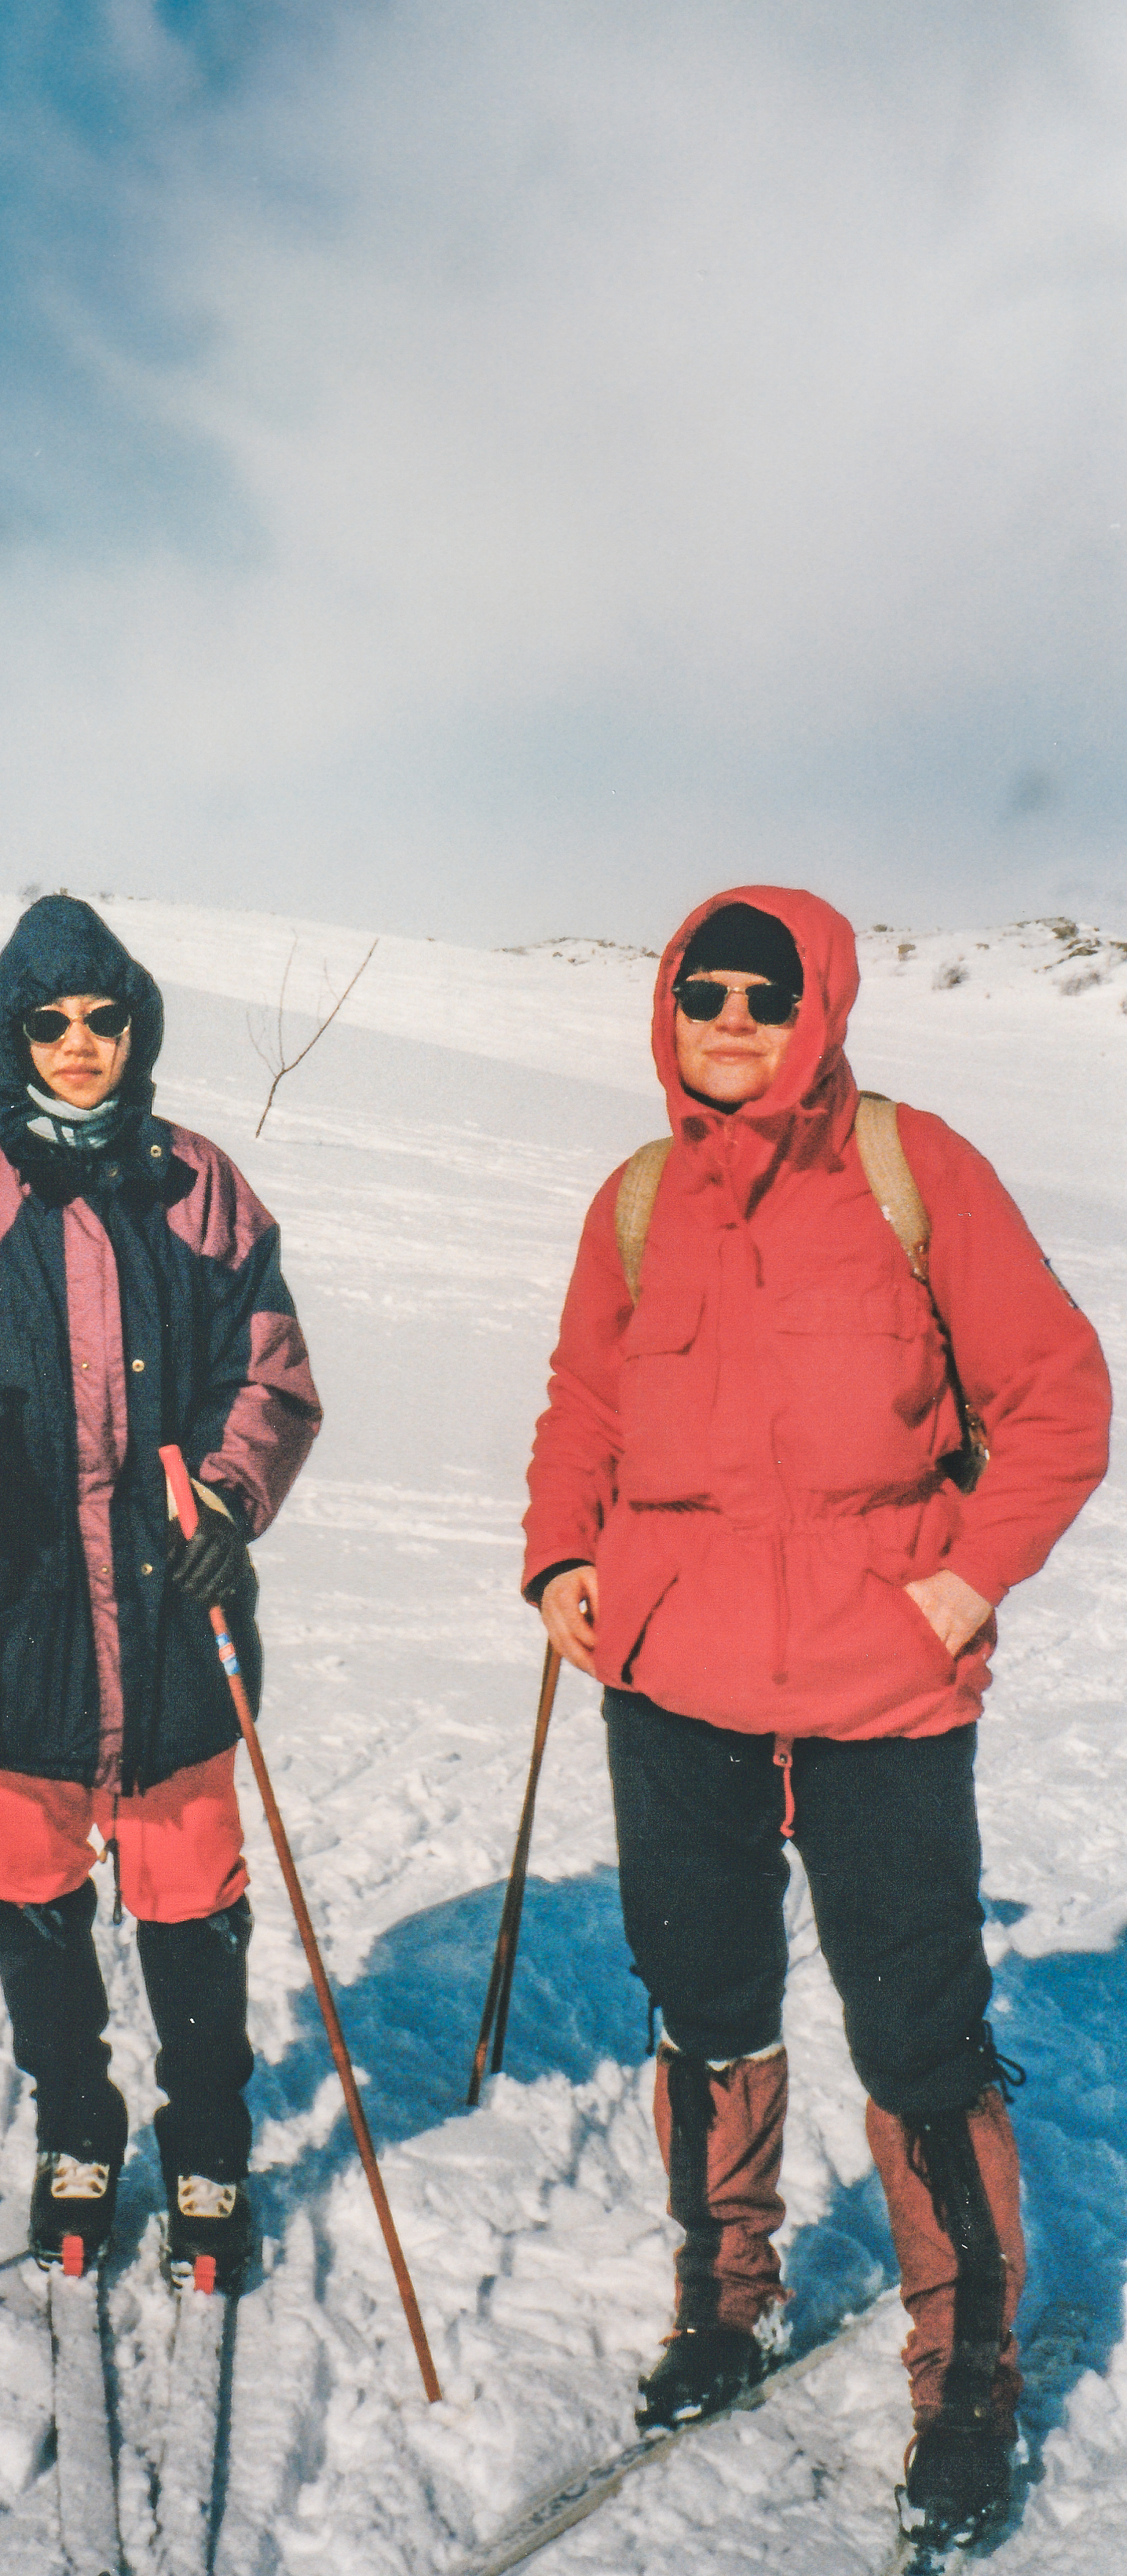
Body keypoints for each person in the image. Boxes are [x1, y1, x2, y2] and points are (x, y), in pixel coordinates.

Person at [521, 887, 1110, 2548]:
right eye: (701, 990)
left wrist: (963, 1580)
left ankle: (966, 2367)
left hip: (879, 1677)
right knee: (701, 1993)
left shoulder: (915, 1170)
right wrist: (561, 1554)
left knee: (917, 2023)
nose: (729, 1015)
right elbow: (582, 1398)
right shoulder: (636, 1202)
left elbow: (1058, 1394)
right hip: (675, 1673)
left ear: (818, 1009)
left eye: (762, 994)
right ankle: (724, 2297)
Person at [0, 896, 320, 2288]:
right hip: (9, 1600)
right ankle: (76, 2127)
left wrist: (226, 1493)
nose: (82, 1044)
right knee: (31, 1877)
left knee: (186, 1885)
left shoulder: (201, 1184)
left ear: (136, 1025)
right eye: (52, 1022)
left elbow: (268, 1373)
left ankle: (209, 2143)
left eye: (106, 1019)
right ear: (10, 1033)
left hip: (174, 1597)